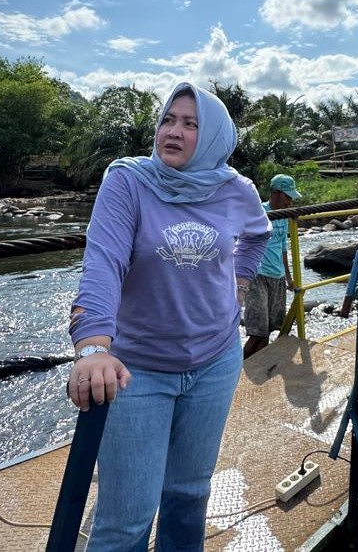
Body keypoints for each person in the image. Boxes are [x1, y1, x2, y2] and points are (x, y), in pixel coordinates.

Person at [66, 82, 271, 551]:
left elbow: (257, 234)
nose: (173, 132)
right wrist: (94, 347)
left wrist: (237, 285)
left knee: (188, 495)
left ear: (215, 137)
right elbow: (103, 261)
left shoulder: (235, 189)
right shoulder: (129, 181)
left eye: (191, 124)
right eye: (168, 120)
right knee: (127, 519)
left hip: (215, 363)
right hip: (137, 371)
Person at [243, 174, 301, 359]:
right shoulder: (259, 211)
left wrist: (289, 278)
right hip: (258, 275)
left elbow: (283, 247)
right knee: (257, 333)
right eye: (287, 197)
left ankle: (257, 368)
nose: (290, 201)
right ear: (276, 193)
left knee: (267, 332)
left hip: (277, 276)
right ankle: (237, 372)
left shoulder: (284, 217)